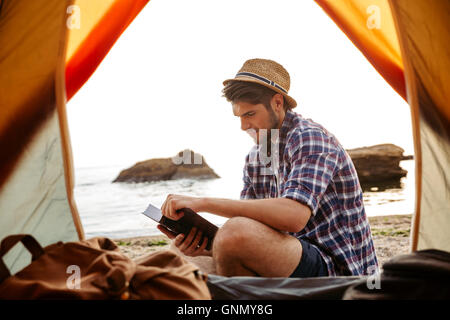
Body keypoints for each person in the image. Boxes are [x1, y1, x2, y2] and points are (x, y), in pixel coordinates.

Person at [157, 58, 378, 277]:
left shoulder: (309, 137)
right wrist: (209, 244)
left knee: (234, 232)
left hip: (337, 267)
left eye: (250, 114)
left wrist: (202, 203)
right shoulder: (255, 157)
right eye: (239, 117)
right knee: (179, 255)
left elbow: (294, 217)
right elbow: (249, 226)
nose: (244, 126)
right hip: (288, 254)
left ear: (277, 103)